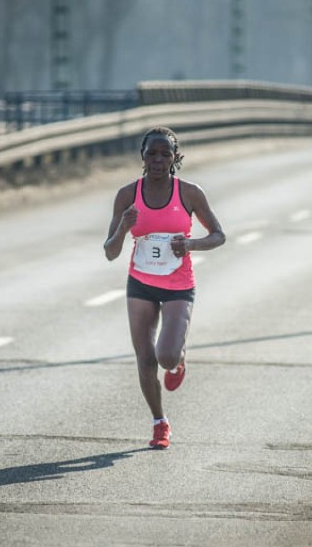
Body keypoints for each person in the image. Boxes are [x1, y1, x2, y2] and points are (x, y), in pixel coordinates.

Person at [103, 127, 226, 450]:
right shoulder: (127, 195)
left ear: (175, 158)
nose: (158, 160)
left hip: (178, 284)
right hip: (140, 282)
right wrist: (124, 228)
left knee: (166, 355)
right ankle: (160, 422)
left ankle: (178, 361)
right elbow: (110, 251)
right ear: (142, 157)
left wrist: (190, 244)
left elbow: (218, 235)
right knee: (145, 359)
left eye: (165, 154)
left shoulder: (189, 193)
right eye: (152, 154)